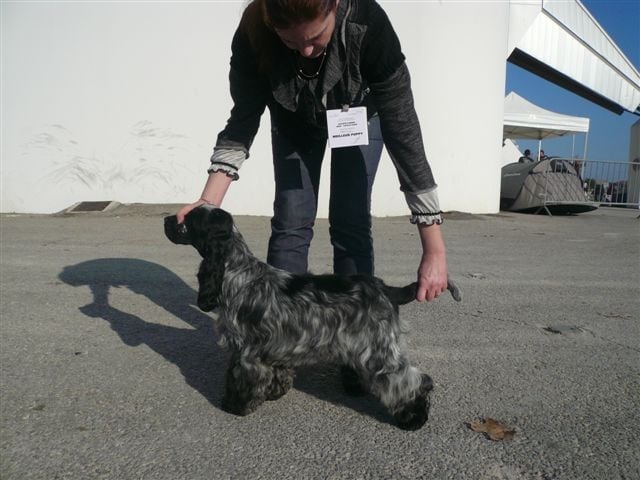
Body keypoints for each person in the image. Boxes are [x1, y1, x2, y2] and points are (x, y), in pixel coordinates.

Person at [177, 0, 448, 302]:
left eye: (316, 37)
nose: (305, 51)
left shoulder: (368, 24)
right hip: (293, 119)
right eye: (290, 41)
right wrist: (208, 202)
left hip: (356, 114)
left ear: (334, 5)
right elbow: (242, 119)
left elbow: (404, 135)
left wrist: (433, 248)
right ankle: (281, 322)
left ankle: (357, 320)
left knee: (350, 219)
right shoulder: (253, 32)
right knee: (290, 221)